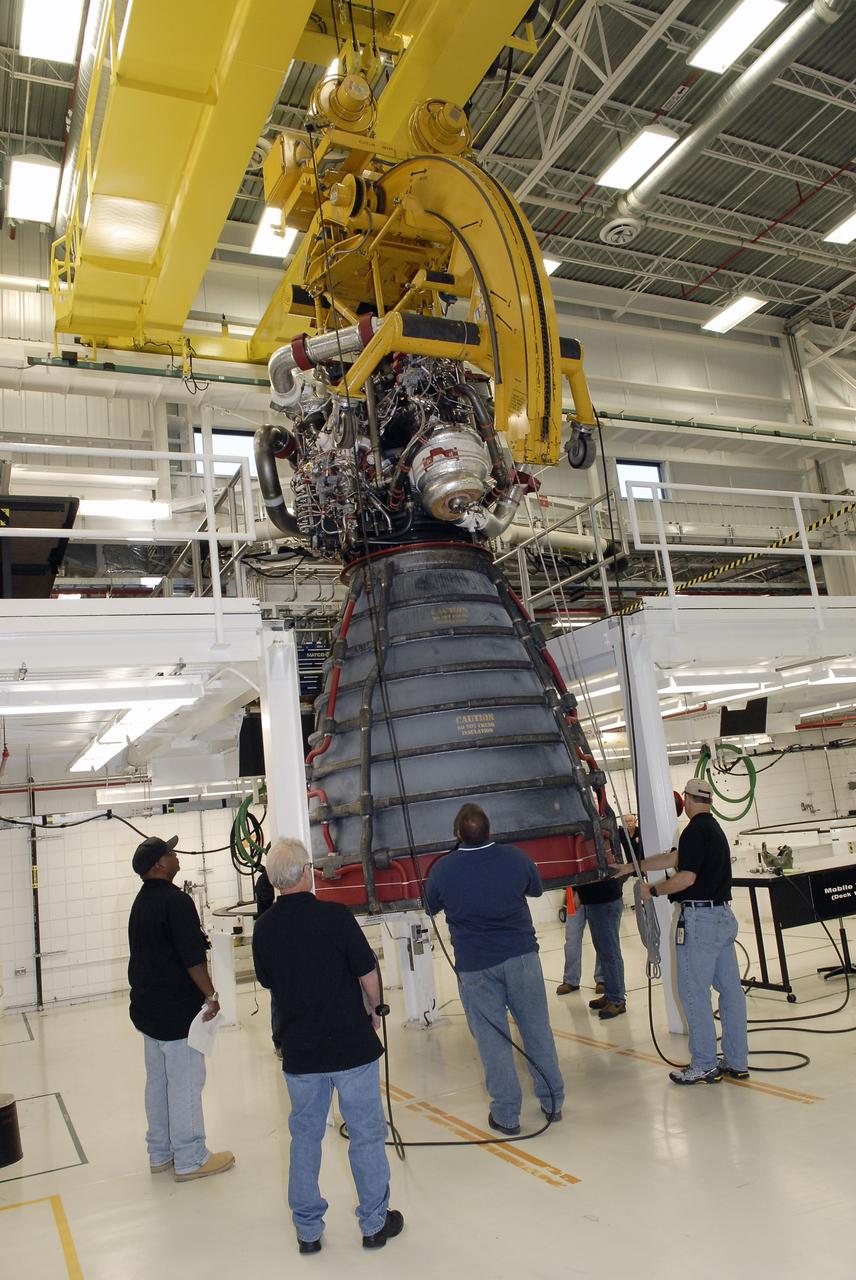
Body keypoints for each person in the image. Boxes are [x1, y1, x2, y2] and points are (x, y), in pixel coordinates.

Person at [252, 837, 403, 1255]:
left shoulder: (264, 928)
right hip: (350, 1046)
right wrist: (375, 1008)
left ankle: (308, 1231)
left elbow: (266, 981)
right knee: (367, 1135)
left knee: (305, 1137)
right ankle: (374, 1223)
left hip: (300, 1051)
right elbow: (367, 969)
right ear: (306, 873)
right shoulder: (336, 916)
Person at [425, 804, 565, 1135]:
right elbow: (535, 889)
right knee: (537, 1031)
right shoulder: (516, 858)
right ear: (491, 832)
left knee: (493, 1041)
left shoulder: (443, 869)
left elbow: (430, 905)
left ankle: (506, 1114)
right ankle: (552, 1101)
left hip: (476, 968)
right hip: (522, 959)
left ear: (458, 835)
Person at [614, 778, 749, 1085]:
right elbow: (674, 858)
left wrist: (653, 889)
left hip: (700, 923)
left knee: (693, 993)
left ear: (687, 800)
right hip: (723, 918)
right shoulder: (712, 830)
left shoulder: (693, 831)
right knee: (730, 991)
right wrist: (630, 868)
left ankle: (703, 1063)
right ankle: (737, 1059)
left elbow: (685, 877)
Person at [127, 834, 235, 1181]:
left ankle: (160, 1152)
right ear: (159, 864)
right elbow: (192, 957)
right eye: (171, 854)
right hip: (175, 1012)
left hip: (148, 1010)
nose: (177, 858)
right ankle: (190, 1156)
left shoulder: (140, 903)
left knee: (157, 1080)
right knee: (186, 1081)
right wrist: (211, 995)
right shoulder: (176, 902)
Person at [254, 863, 281, 1057]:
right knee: (279, 997)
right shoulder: (266, 880)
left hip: (280, 939)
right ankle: (280, 1042)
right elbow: (268, 903)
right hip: (275, 942)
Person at [556, 892, 604, 995]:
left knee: (601, 939)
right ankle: (570, 980)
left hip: (595, 892)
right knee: (571, 941)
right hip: (572, 893)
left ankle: (602, 979)